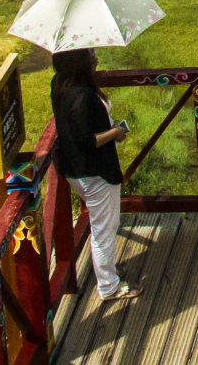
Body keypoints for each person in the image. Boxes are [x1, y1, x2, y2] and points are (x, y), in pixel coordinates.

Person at [51, 49, 137, 303]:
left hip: (75, 170)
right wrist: (115, 132)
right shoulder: (82, 96)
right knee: (104, 229)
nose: (96, 60)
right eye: (90, 56)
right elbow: (89, 141)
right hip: (95, 172)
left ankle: (107, 270)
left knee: (102, 226)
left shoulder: (59, 83)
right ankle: (109, 286)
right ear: (77, 63)